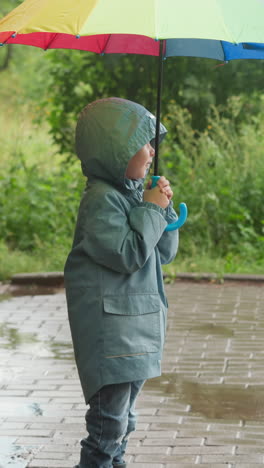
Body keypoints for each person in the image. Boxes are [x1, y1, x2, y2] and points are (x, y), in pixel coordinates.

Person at [64, 97, 179, 468]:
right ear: (114, 152)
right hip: (112, 334)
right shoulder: (102, 201)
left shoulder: (132, 195)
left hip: (136, 328)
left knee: (124, 421)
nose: (151, 151)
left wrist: (162, 208)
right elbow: (128, 254)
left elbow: (160, 254)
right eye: (143, 143)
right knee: (107, 426)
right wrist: (149, 210)